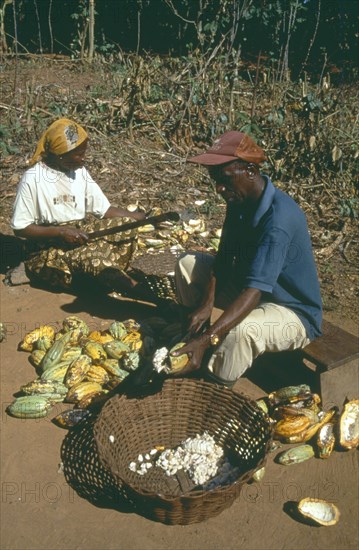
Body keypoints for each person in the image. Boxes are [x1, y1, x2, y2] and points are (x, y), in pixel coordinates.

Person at [172, 131, 322, 386]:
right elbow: (223, 259)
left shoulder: (278, 220)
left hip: (291, 311)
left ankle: (212, 387)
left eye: (225, 179)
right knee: (187, 264)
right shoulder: (239, 199)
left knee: (242, 331)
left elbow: (253, 292)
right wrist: (207, 304)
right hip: (252, 292)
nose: (219, 188)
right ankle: (194, 338)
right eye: (215, 180)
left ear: (250, 171)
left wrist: (210, 337)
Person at [10, 117, 151, 298]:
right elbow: (20, 228)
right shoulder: (32, 179)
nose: (83, 158)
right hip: (48, 249)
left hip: (79, 235)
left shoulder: (79, 172)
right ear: (60, 154)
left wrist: (134, 217)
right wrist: (61, 232)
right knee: (94, 262)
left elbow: (104, 210)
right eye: (78, 154)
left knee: (125, 225)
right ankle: (139, 292)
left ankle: (99, 274)